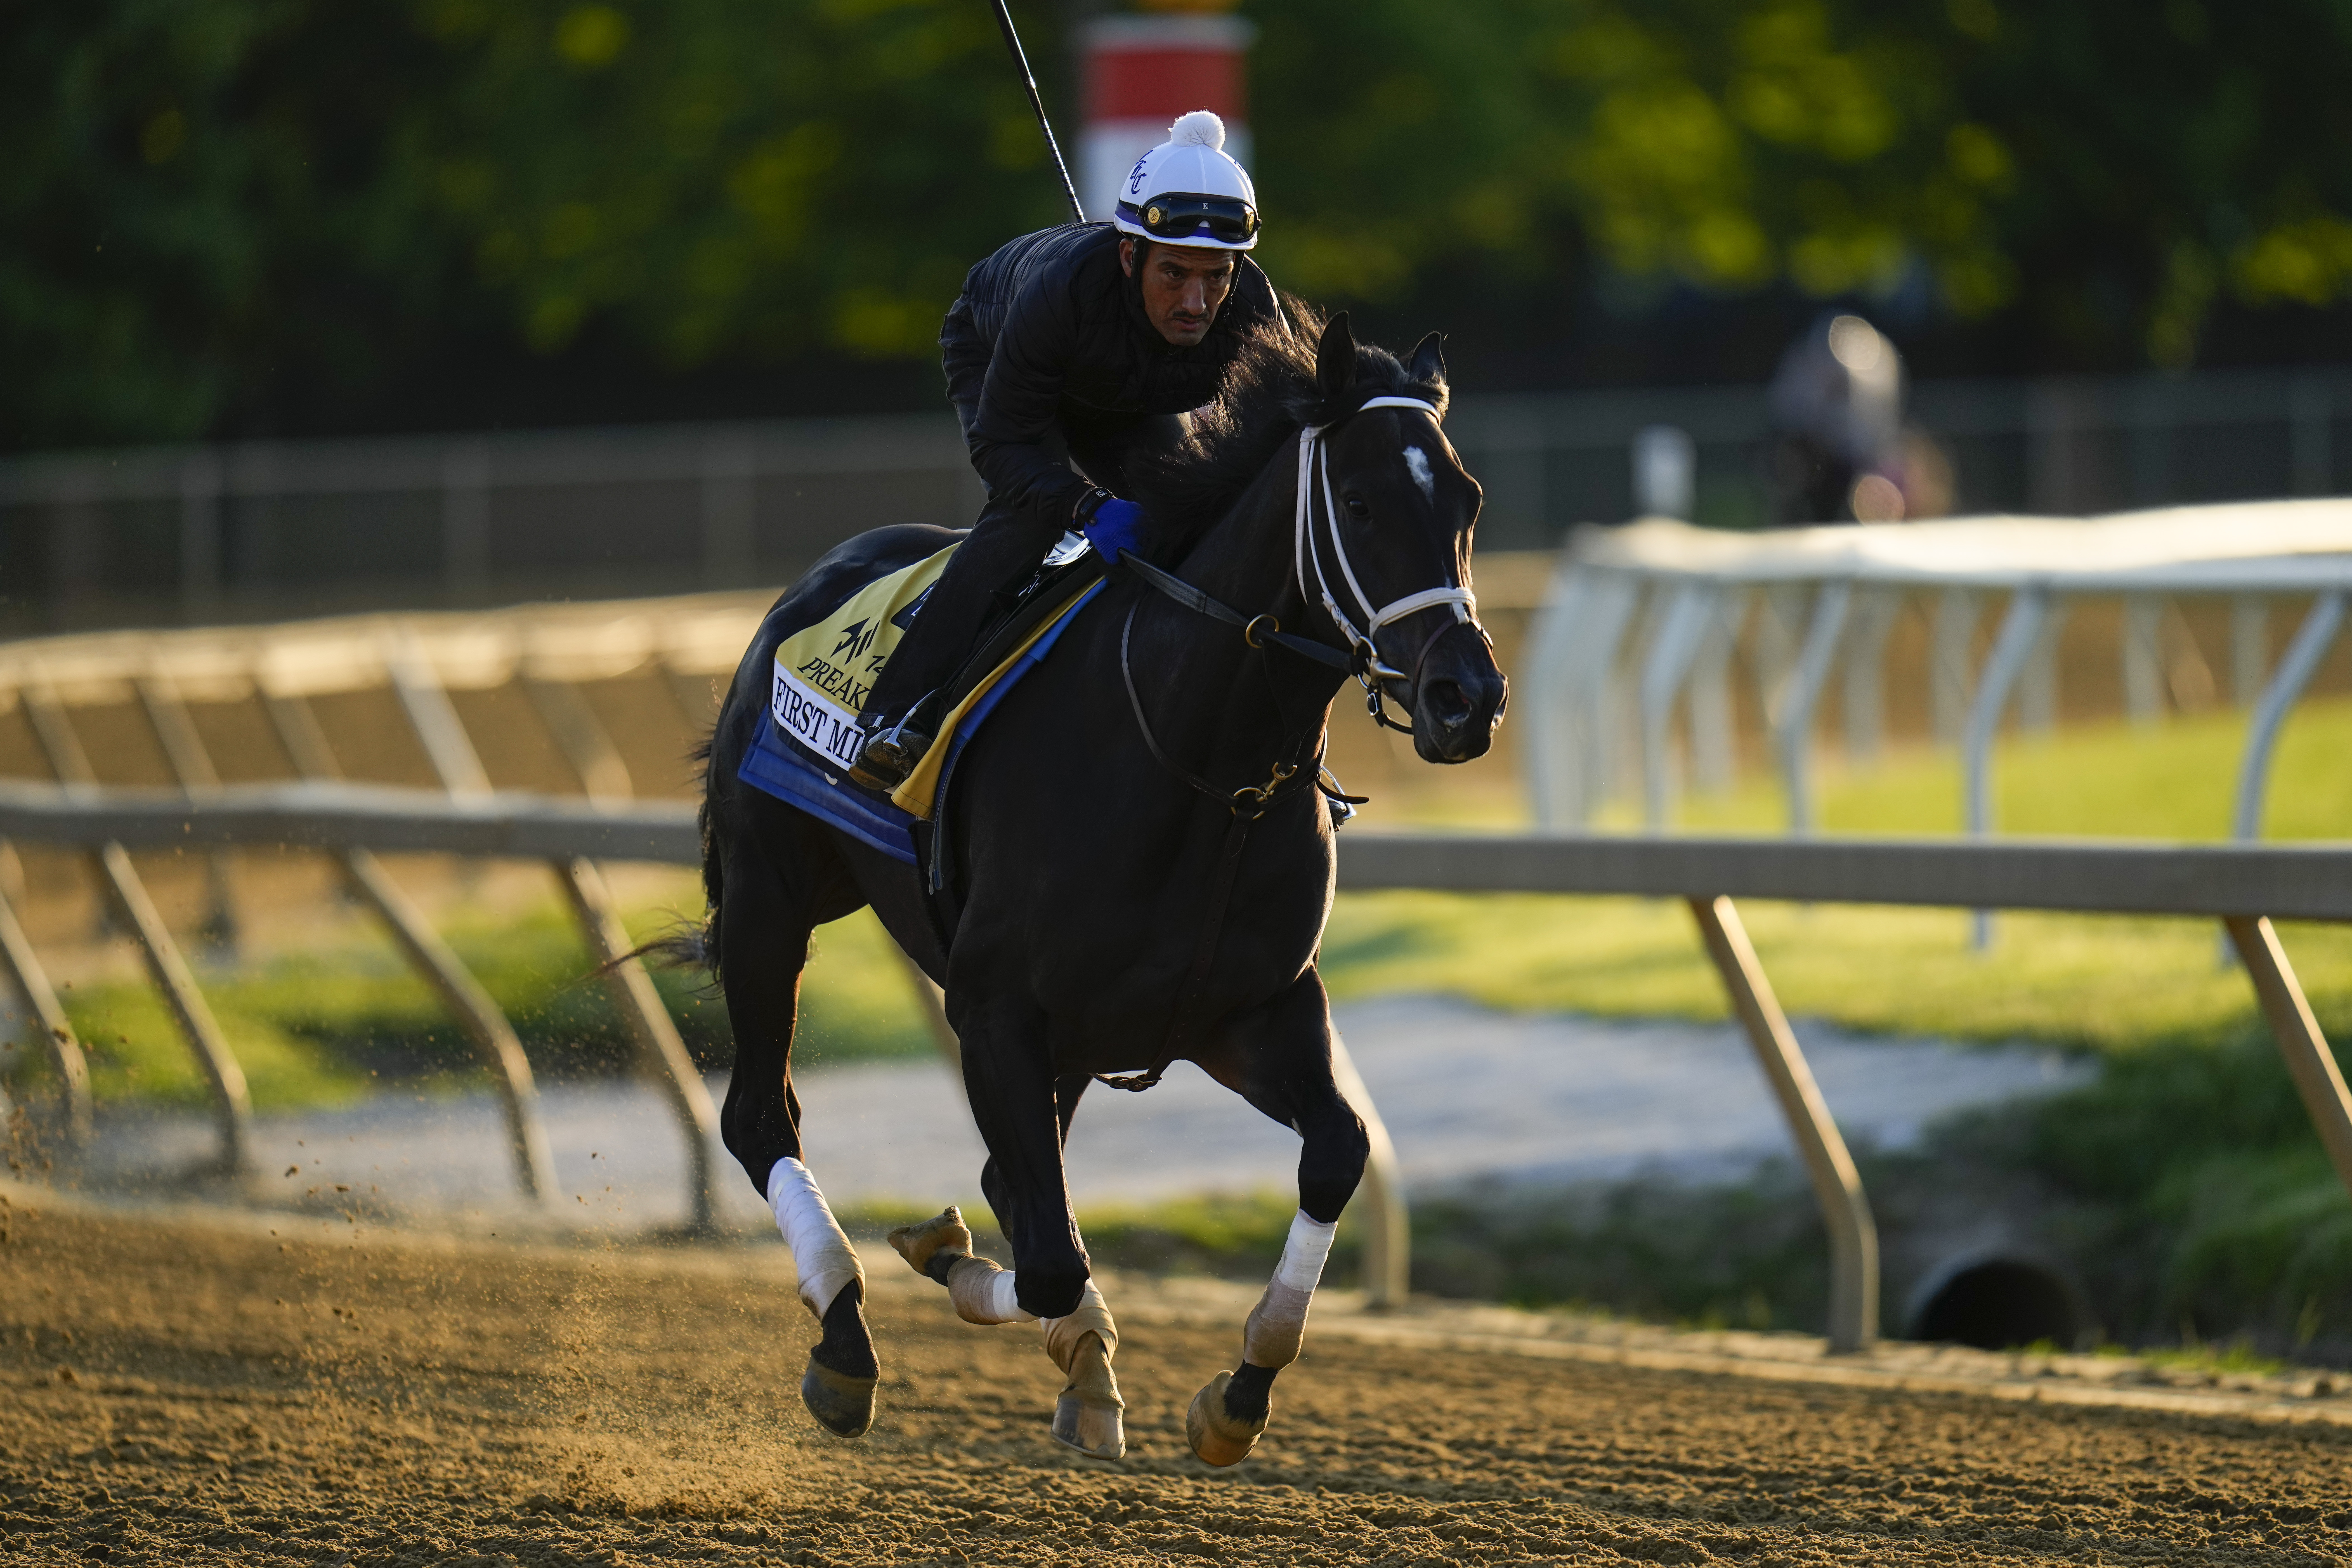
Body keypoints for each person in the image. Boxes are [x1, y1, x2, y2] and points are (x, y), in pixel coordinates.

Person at [849, 109, 1282, 791]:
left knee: (1193, 523)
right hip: (1005, 358)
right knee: (1029, 518)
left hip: (1121, 394)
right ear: (1128, 253)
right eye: (1174, 274)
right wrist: (1087, 506)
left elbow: (1275, 458)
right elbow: (1002, 446)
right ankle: (897, 715)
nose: (1197, 303)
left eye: (1217, 276)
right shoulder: (1060, 295)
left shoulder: (1252, 311)